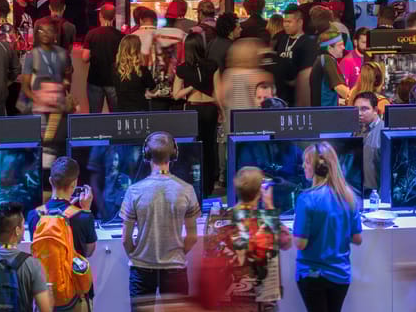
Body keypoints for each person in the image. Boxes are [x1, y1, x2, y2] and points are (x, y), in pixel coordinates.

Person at [121, 131, 200, 312]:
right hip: (175, 268)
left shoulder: (134, 191)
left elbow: (125, 239)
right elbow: (192, 237)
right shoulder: (187, 190)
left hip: (141, 268)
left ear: (146, 155)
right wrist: (176, 253)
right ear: (174, 154)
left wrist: (137, 255)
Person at [201, 166, 292, 310]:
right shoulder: (266, 221)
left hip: (227, 303)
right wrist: (269, 205)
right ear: (260, 191)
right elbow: (286, 242)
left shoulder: (217, 219)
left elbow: (209, 257)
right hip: (261, 305)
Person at [293, 142, 361, 312]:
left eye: (307, 162)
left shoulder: (306, 199)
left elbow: (300, 243)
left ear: (318, 167)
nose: (303, 166)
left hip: (312, 275)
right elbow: (357, 238)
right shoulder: (349, 197)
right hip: (340, 275)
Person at [26, 157, 97, 312]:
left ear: (50, 181)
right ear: (74, 183)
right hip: (75, 297)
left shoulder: (33, 215)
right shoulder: (84, 217)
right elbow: (89, 251)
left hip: (44, 296)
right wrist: (86, 209)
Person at [173, 32, 218, 196]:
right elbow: (217, 92)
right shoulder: (212, 65)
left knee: (194, 147)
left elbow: (176, 94)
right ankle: (208, 186)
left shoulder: (182, 69)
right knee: (209, 147)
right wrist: (221, 110)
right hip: (210, 108)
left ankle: (196, 185)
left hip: (193, 109)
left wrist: (191, 87)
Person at [20, 19, 71, 114]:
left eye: (49, 30)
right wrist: (39, 100)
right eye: (42, 30)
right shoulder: (32, 55)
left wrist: (62, 89)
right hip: (38, 110)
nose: (45, 33)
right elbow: (25, 87)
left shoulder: (63, 54)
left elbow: (67, 78)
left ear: (55, 34)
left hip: (58, 109)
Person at [272, 5, 318, 107]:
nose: (285, 25)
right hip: (281, 97)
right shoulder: (281, 39)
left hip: (298, 97)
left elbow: (307, 74)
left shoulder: (308, 43)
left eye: (289, 22)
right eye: (284, 22)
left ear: (300, 22)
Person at [82, 3, 122, 114]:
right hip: (114, 81)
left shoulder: (91, 34)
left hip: (95, 80)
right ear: (114, 17)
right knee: (116, 115)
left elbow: (85, 58)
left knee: (95, 115)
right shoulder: (121, 35)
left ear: (100, 15)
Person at [114, 35, 155, 113]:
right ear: (137, 49)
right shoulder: (142, 69)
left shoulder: (114, 68)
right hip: (140, 110)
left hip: (121, 110)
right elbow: (153, 87)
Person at [353, 92, 383, 193]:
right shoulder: (356, 131)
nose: (359, 113)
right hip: (358, 191)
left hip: (376, 194)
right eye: (356, 109)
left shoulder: (384, 132)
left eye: (364, 109)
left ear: (375, 110)